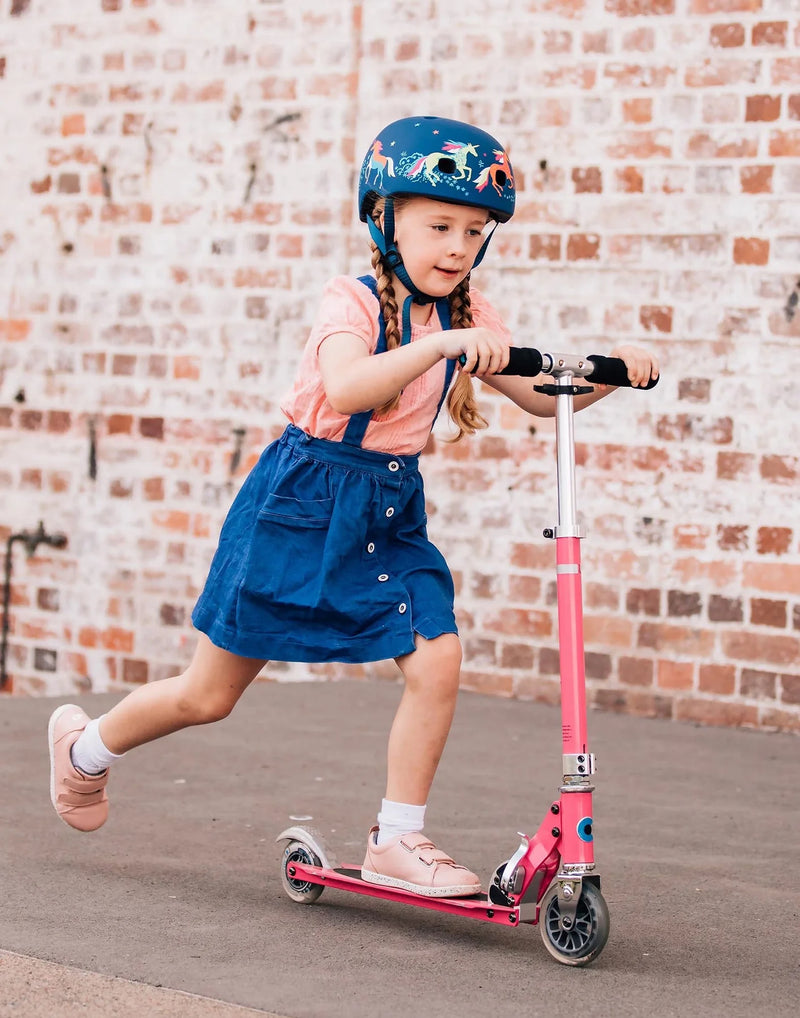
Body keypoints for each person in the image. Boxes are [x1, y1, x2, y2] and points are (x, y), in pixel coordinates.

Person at [48, 115, 658, 898]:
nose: (456, 248)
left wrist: (610, 372)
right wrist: (435, 349)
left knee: (437, 655)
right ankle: (85, 751)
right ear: (385, 219)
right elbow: (346, 386)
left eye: (474, 233)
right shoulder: (355, 302)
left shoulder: (468, 315)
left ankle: (397, 839)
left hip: (388, 509)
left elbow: (541, 397)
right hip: (300, 500)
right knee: (208, 695)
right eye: (439, 225)